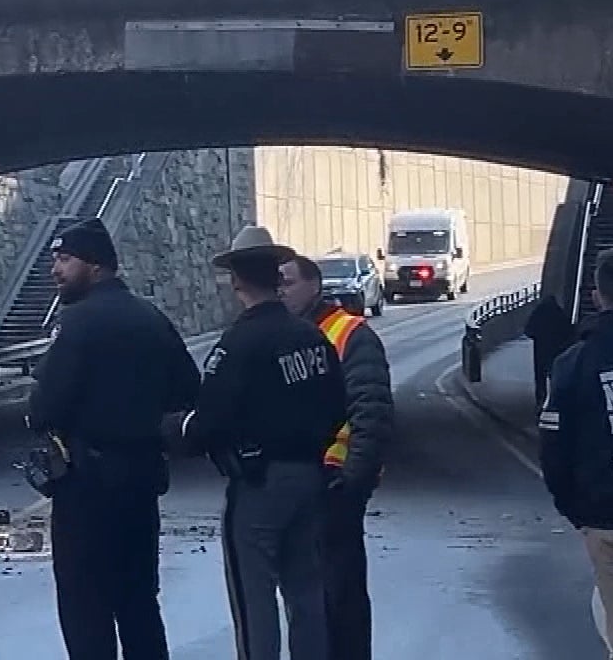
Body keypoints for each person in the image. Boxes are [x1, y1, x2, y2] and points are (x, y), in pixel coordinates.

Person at [168, 226, 346, 660]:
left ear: (237, 281)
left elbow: (208, 422)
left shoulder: (239, 343)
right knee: (306, 593)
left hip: (259, 484)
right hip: (310, 478)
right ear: (276, 277)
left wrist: (170, 429)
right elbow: (339, 404)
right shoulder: (312, 336)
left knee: (255, 599)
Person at [28, 217, 200, 660]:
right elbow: (189, 389)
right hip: (140, 483)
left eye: (65, 260)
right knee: (139, 604)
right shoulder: (151, 318)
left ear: (96, 265)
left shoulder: (78, 323)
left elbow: (44, 408)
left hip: (86, 489)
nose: (55, 269)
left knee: (87, 612)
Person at [280, 254, 395, 660]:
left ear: (314, 285)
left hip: (336, 484)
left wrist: (353, 478)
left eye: (288, 282)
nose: (280, 290)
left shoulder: (348, 333)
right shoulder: (290, 334)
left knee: (339, 596)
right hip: (303, 485)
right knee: (309, 601)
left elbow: (372, 411)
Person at [539, 249, 613, 658]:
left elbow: (554, 448)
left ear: (597, 296)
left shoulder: (572, 364)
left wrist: (575, 510)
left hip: (604, 512)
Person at [527, 291, 573, 405]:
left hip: (540, 350)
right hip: (556, 350)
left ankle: (540, 400)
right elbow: (569, 330)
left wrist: (538, 336)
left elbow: (528, 330)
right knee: (555, 375)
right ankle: (555, 399)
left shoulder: (538, 314)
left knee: (540, 378)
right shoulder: (558, 313)